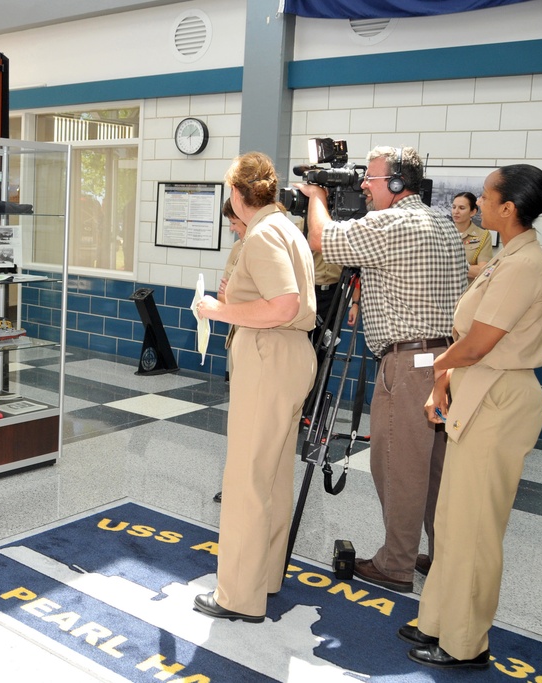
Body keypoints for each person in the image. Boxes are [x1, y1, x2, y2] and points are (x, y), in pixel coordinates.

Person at [401, 165, 542, 670]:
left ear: (507, 208)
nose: (478, 204)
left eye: (487, 197)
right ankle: (438, 621)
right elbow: (467, 339)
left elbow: (479, 344)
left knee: (476, 530)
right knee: (452, 520)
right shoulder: (504, 257)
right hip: (476, 394)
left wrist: (438, 368)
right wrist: (443, 383)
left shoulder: (523, 265)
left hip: (500, 399)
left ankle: (467, 644)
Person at [302, 146, 468, 592]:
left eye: (370, 179)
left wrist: (317, 196)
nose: (362, 186)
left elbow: (322, 240)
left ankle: (396, 563)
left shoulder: (392, 222)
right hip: (445, 361)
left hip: (408, 364)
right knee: (434, 471)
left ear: (396, 184)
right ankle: (440, 554)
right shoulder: (441, 222)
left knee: (396, 465)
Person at [193, 152, 317, 621]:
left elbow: (283, 306)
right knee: (273, 476)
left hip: (268, 354)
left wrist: (219, 311)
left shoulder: (263, 234)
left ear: (238, 194)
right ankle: (263, 577)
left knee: (246, 479)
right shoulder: (287, 228)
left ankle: (238, 596)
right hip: (290, 357)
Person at [212, 197, 244, 504]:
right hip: (239, 338)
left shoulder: (266, 244)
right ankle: (234, 481)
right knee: (237, 418)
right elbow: (225, 292)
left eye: (235, 223)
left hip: (260, 343)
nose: (233, 231)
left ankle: (244, 487)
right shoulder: (239, 248)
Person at [452, 191, 492, 283]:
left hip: (467, 291)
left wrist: (450, 267)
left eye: (461, 208)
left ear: (473, 212)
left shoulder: (483, 235)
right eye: (454, 207)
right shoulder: (442, 232)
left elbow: (482, 270)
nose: (456, 211)